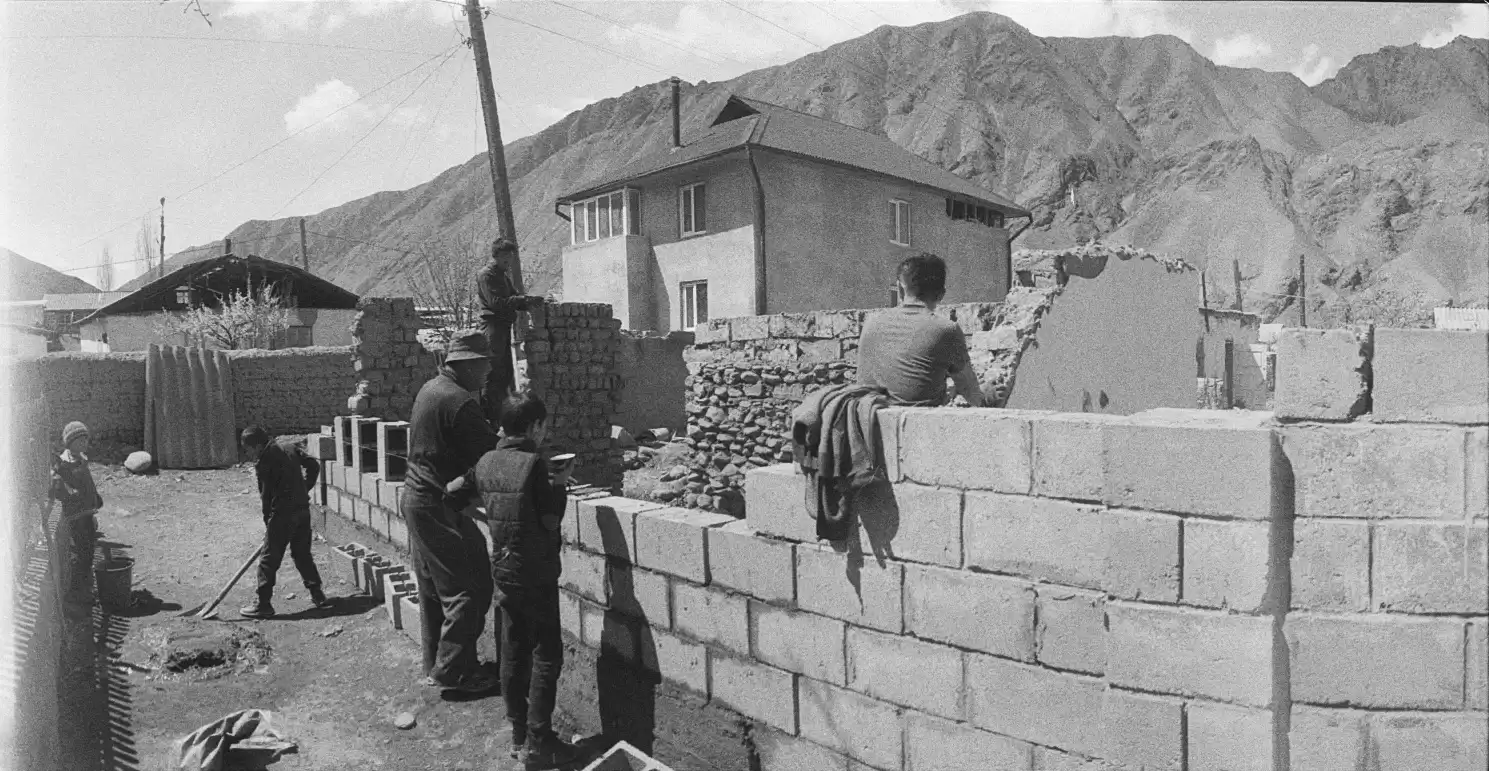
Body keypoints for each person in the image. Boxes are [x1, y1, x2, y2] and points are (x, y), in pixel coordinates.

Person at [472, 391, 583, 768]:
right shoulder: (533, 464)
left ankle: (519, 735)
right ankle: (540, 742)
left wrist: (492, 520)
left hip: (503, 570)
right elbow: (549, 519)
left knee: (513, 651)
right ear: (534, 427)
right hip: (535, 572)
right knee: (546, 654)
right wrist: (559, 484)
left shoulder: (486, 460)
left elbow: (453, 493)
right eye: (543, 425)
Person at [404, 330, 501, 694]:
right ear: (467, 365)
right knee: (471, 587)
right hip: (437, 505)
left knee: (434, 590)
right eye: (485, 363)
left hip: (420, 500)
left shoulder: (432, 389)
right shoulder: (458, 401)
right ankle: (456, 674)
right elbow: (491, 457)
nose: (489, 371)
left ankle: (437, 665)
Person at [856, 253, 986, 407]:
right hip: (914, 420)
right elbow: (971, 393)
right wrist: (989, 396)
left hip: (866, 417)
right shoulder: (946, 330)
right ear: (941, 294)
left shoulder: (871, 323)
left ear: (900, 288)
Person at [239, 426, 328, 618]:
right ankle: (318, 595)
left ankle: (264, 605)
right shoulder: (289, 447)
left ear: (257, 446)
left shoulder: (264, 462)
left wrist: (269, 527)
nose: (248, 454)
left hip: (282, 515)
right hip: (302, 511)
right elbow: (313, 466)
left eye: (248, 450)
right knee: (302, 554)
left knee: (268, 560)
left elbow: (266, 500)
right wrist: (304, 489)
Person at [477, 238, 541, 427]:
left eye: (511, 257)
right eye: (505, 256)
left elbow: (514, 298)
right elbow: (496, 303)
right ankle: (490, 419)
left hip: (503, 327)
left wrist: (529, 302)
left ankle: (502, 418)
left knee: (505, 373)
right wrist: (521, 300)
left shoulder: (503, 276)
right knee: (494, 373)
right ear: (496, 256)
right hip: (493, 327)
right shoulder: (486, 275)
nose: (508, 260)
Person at [51, 421, 102, 605]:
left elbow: (87, 482)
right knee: (81, 553)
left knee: (88, 551)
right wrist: (71, 494)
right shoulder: (64, 464)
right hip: (76, 516)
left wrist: (95, 497)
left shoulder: (81, 459)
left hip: (86, 513)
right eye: (79, 441)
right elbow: (60, 486)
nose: (84, 444)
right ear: (69, 443)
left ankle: (85, 589)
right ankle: (78, 592)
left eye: (85, 440)